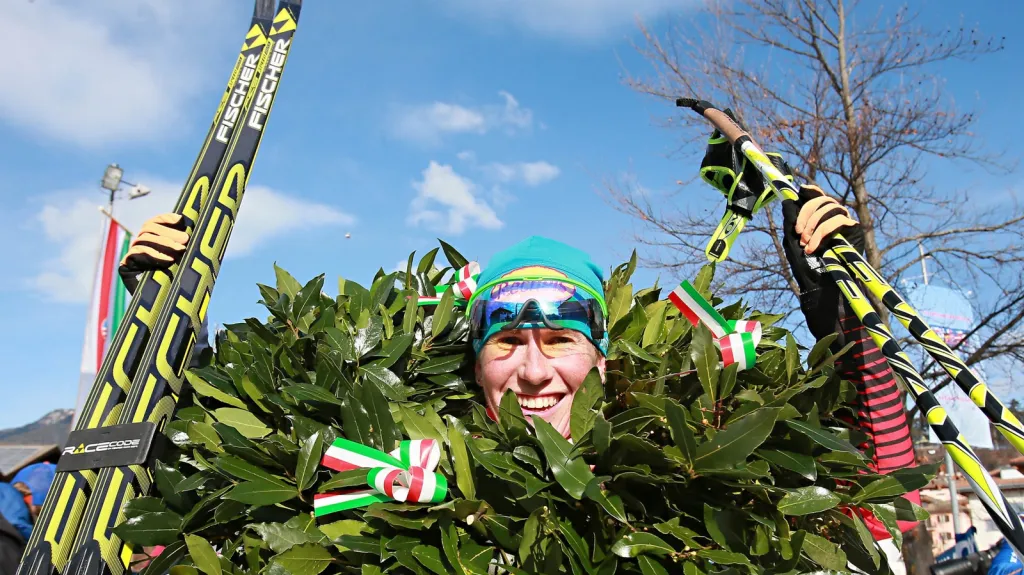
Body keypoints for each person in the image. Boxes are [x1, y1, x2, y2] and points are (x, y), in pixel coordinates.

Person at [120, 184, 919, 563]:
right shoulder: (392, 488)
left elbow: (884, 512)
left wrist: (850, 332)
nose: (534, 369)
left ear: (602, 360)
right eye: (506, 344)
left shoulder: (696, 488)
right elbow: (179, 539)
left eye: (559, 340)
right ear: (473, 365)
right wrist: (155, 335)